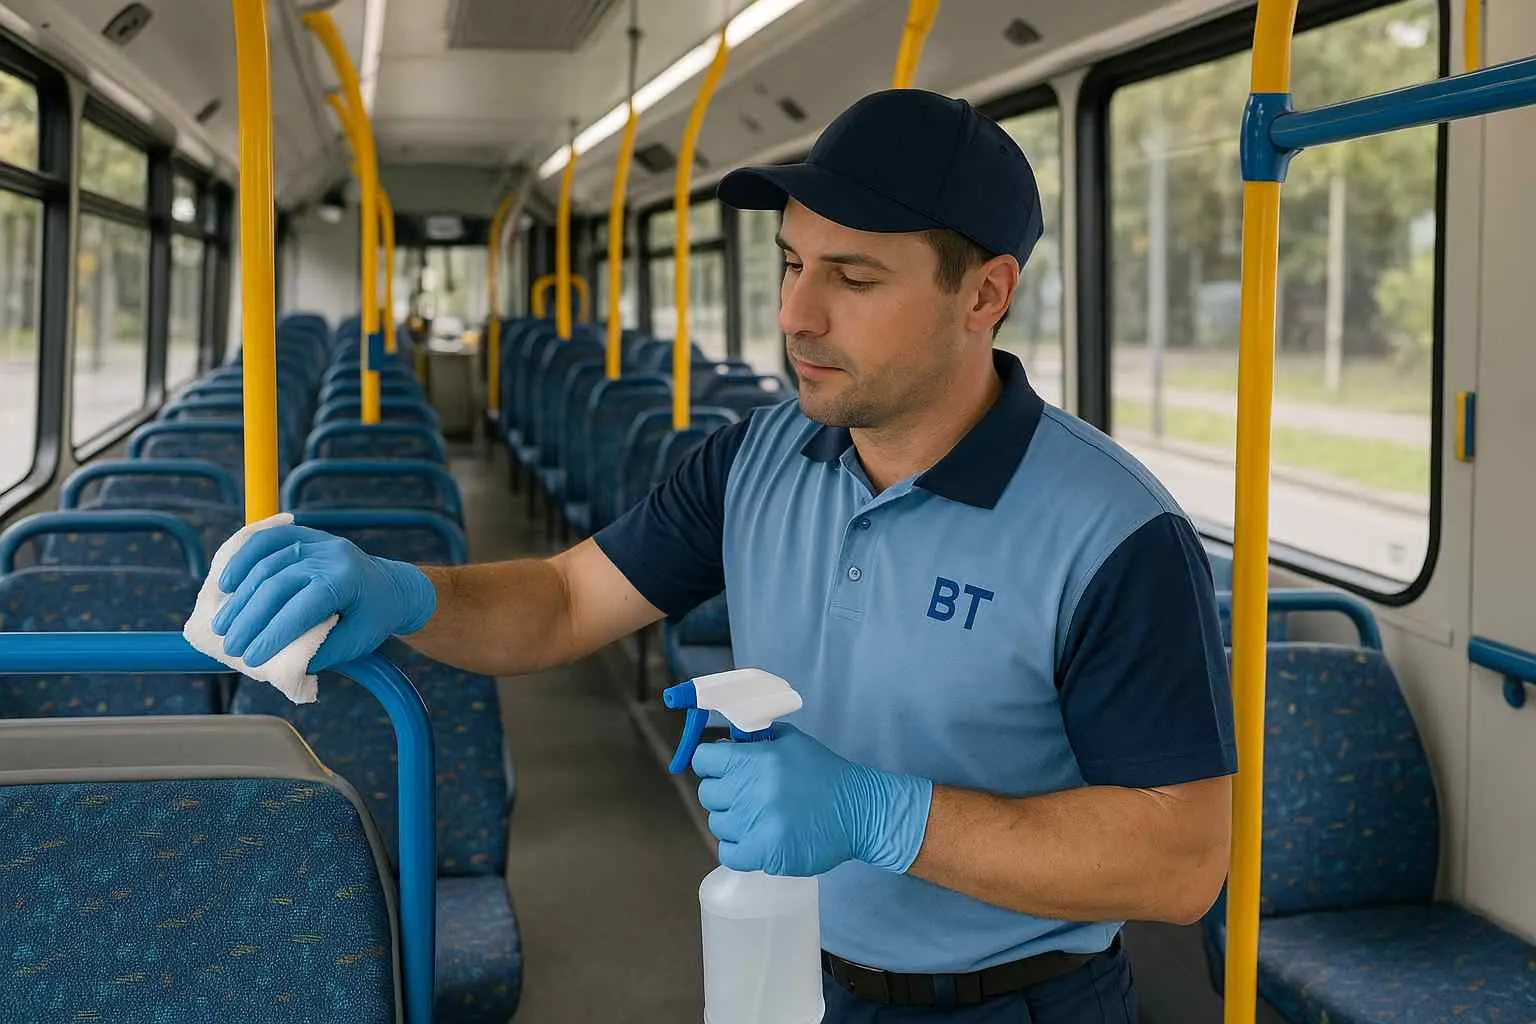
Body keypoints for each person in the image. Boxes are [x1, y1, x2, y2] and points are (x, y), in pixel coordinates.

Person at [210, 88, 1235, 1022]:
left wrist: (883, 814)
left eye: (854, 277)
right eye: (790, 262)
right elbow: (569, 599)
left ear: (984, 296)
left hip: (1021, 1003)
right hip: (796, 968)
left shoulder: (1112, 532)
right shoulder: (756, 459)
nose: (796, 315)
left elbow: (1180, 861)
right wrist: (404, 592)